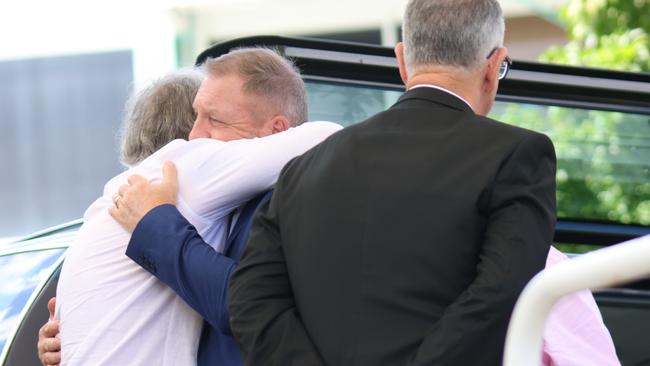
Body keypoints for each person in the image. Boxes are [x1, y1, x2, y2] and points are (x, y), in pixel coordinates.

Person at [228, 1, 556, 365]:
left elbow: (250, 297)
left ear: (402, 60)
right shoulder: (518, 154)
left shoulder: (304, 168)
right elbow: (503, 294)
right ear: (494, 66)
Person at [41, 48, 342, 366]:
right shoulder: (182, 174)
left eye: (214, 118)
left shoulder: (135, 197)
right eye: (196, 117)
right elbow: (329, 135)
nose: (195, 135)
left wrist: (156, 223)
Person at [37, 68, 203, 366]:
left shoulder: (96, 221)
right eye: (210, 116)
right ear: (195, 131)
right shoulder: (201, 201)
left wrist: (68, 339)